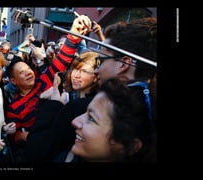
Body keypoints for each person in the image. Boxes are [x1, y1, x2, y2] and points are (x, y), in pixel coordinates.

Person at [24, 17, 157, 162]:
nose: (96, 71)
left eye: (100, 61)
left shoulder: (78, 108)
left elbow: (35, 153)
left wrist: (52, 105)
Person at [5, 14, 93, 162]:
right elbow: (16, 137)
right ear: (13, 81)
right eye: (21, 72)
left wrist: (74, 34)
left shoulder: (44, 80)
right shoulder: (14, 107)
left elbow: (62, 59)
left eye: (28, 69)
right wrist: (25, 136)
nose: (28, 73)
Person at [57, 77, 156, 162]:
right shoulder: (66, 157)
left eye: (91, 119)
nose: (75, 121)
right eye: (86, 112)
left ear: (130, 146)